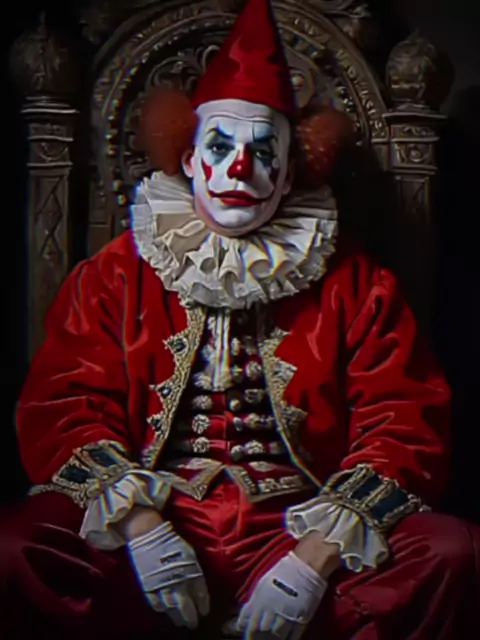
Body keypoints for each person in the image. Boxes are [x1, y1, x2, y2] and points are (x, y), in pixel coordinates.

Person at [2, 0, 478, 638]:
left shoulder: (358, 284)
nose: (238, 169)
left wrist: (313, 562)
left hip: (299, 525)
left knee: (453, 553)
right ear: (188, 158)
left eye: (263, 151)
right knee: (15, 550)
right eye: (220, 147)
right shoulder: (115, 274)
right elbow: (63, 408)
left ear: (291, 171)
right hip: (151, 526)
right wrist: (140, 528)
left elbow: (405, 422)